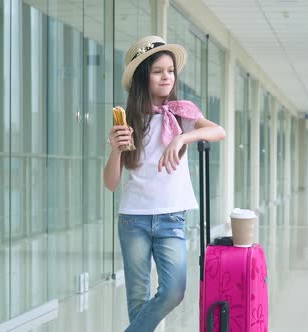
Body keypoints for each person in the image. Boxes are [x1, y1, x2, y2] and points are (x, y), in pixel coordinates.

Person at [103, 35, 226, 332]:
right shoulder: (128, 121)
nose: (167, 76)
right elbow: (110, 183)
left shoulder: (181, 113)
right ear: (144, 77)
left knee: (173, 291)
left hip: (171, 216)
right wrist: (116, 150)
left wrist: (183, 137)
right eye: (158, 71)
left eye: (170, 70)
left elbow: (218, 131)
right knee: (137, 299)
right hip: (134, 219)